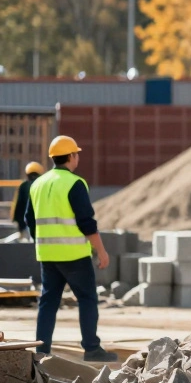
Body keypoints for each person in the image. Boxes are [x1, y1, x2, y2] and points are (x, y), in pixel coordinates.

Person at [24, 135, 117, 362]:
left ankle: (41, 351)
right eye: (77, 154)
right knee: (87, 298)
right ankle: (92, 348)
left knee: (48, 302)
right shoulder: (75, 183)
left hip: (47, 255)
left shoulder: (37, 184)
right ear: (71, 156)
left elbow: (29, 219)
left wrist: (41, 241)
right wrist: (101, 251)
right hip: (74, 255)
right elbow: (86, 222)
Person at [11, 162, 44, 240]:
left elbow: (18, 205)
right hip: (41, 223)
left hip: (26, 223)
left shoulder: (23, 186)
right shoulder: (42, 185)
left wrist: (17, 221)